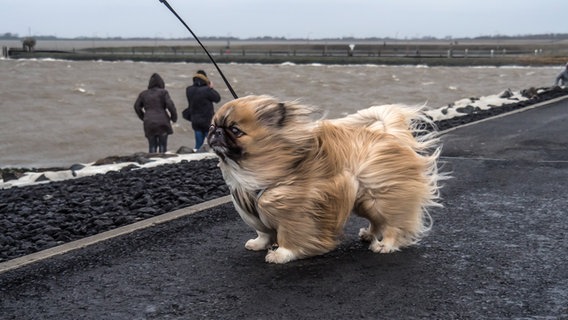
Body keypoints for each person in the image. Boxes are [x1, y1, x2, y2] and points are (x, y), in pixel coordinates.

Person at [134, 73, 177, 153]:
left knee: (152, 145)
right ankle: (162, 162)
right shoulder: (163, 92)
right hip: (162, 121)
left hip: (149, 122)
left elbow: (136, 107)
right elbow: (170, 105)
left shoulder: (143, 94)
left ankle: (152, 162)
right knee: (162, 145)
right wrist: (174, 118)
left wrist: (143, 117)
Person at [185, 70, 221, 152]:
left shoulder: (189, 90)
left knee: (198, 143)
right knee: (211, 142)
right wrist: (211, 88)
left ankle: (196, 154)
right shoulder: (207, 90)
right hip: (207, 120)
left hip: (195, 120)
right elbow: (217, 98)